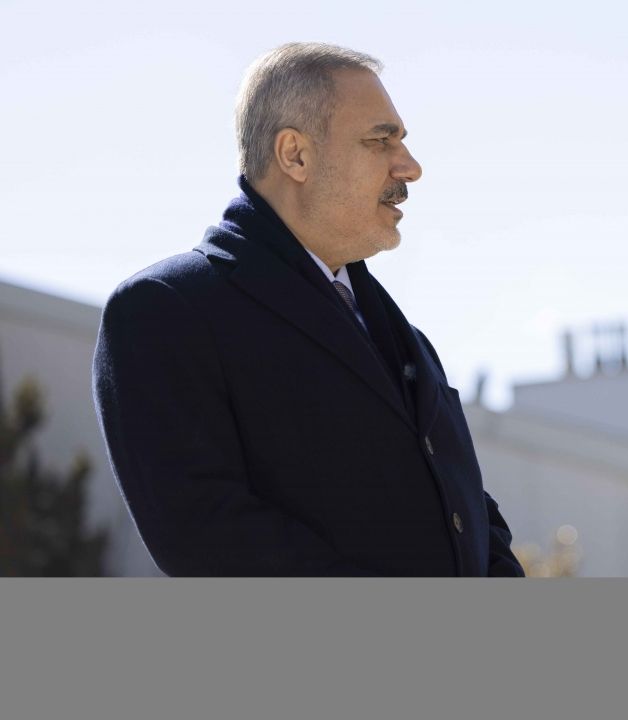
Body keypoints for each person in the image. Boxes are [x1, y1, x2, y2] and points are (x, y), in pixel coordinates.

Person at [92, 42, 523, 576]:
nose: (410, 168)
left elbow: (467, 508)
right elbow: (207, 535)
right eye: (380, 140)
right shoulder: (165, 311)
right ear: (294, 155)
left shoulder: (404, 336)